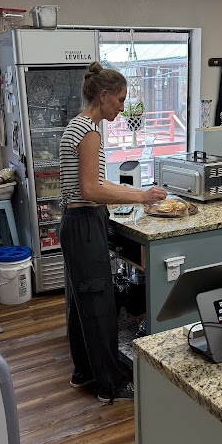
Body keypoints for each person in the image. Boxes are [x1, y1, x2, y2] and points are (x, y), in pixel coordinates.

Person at [59, 62, 166, 403]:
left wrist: (136, 192)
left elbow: (96, 182)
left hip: (74, 223)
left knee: (81, 301)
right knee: (99, 304)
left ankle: (85, 371)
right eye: (120, 99)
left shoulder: (78, 126)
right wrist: (142, 197)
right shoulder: (89, 133)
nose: (122, 107)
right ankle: (111, 384)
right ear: (103, 95)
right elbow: (91, 190)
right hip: (84, 222)